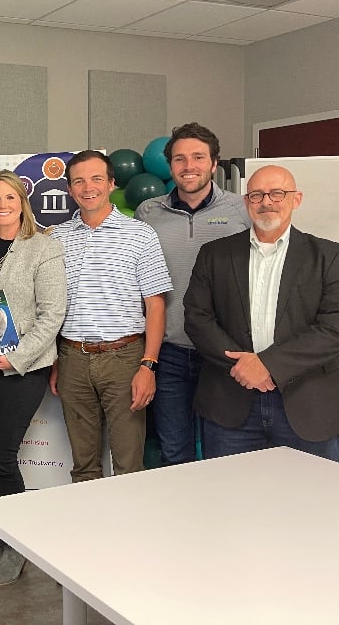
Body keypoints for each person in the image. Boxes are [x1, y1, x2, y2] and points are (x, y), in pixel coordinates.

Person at [183, 165, 339, 460]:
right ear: (246, 202)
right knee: (229, 500)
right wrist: (244, 368)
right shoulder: (214, 254)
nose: (266, 202)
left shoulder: (330, 256)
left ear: (296, 199)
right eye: (256, 195)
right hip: (231, 403)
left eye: (277, 193)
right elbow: (197, 317)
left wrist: (267, 365)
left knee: (314, 501)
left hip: (309, 405)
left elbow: (337, 329)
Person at [0, 170, 66, 587]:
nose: (2, 205)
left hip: (22, 370)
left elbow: (52, 313)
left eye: (10, 197)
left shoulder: (42, 247)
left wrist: (15, 359)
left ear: (22, 203)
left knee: (3, 458)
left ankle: (18, 548)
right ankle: (7, 539)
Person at [50, 151, 172, 483]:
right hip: (72, 359)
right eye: (79, 181)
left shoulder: (140, 235)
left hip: (125, 359)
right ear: (71, 190)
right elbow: (52, 306)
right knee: (83, 465)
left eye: (96, 179)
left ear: (111, 183)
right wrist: (57, 360)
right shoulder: (56, 239)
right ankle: (90, 533)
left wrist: (148, 365)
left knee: (129, 466)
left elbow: (156, 304)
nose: (88, 187)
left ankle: (128, 535)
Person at [135, 123, 250, 464]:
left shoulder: (240, 210)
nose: (189, 166)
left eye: (199, 157)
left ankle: (221, 517)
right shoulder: (149, 212)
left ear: (214, 163)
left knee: (225, 452)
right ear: (170, 165)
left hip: (225, 352)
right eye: (180, 159)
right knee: (175, 452)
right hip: (168, 353)